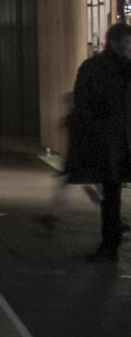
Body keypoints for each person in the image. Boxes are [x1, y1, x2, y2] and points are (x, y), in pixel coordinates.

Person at [64, 22, 131, 262]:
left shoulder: (93, 68)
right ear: (113, 43)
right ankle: (110, 243)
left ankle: (109, 245)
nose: (127, 47)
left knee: (110, 195)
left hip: (110, 141)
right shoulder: (100, 69)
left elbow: (83, 106)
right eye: (125, 43)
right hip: (113, 140)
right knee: (111, 195)